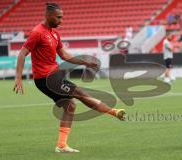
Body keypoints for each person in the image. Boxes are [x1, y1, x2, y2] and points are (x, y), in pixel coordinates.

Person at [13, 3, 126, 153]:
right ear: (48, 16)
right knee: (79, 93)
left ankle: (62, 145)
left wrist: (84, 62)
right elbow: (22, 53)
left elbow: (64, 55)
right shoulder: (37, 32)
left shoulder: (54, 34)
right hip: (46, 79)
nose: (61, 21)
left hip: (53, 76)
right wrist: (18, 78)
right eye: (58, 17)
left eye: (62, 17)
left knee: (70, 106)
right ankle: (113, 112)